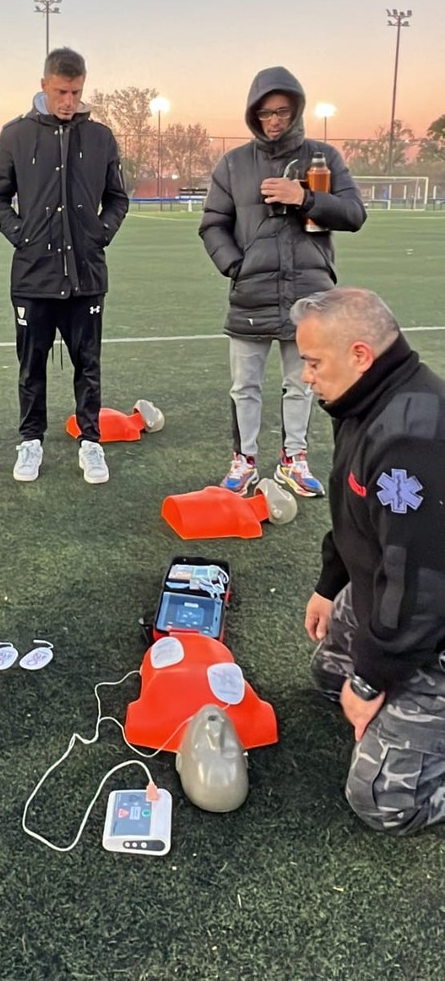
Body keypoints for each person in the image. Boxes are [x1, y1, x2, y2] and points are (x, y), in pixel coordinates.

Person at [294, 287, 445, 835]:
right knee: (327, 675)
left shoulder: (411, 441)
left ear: (360, 354)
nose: (306, 376)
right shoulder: (363, 401)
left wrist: (372, 680)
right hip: (402, 592)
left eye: (314, 362)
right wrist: (330, 583)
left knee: (382, 801)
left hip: (433, 619)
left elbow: (424, 584)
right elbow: (356, 513)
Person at [199, 65, 365, 498]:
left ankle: (294, 460)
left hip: (308, 296)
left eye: (282, 111)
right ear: (253, 115)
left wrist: (306, 197)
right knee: (245, 386)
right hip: (250, 293)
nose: (273, 120)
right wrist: (236, 265)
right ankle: (245, 461)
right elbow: (213, 223)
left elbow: (354, 215)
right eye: (265, 113)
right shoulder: (234, 164)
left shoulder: (324, 157)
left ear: (297, 111)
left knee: (302, 384)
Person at [0, 47, 129, 484]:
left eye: (76, 92)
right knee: (31, 367)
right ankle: (30, 442)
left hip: (86, 276)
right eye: (62, 91)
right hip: (33, 277)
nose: (68, 100)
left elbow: (118, 197)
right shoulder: (15, 134)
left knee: (89, 364)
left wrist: (99, 234)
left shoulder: (101, 137)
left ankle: (91, 442)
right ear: (45, 84)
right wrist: (22, 235)